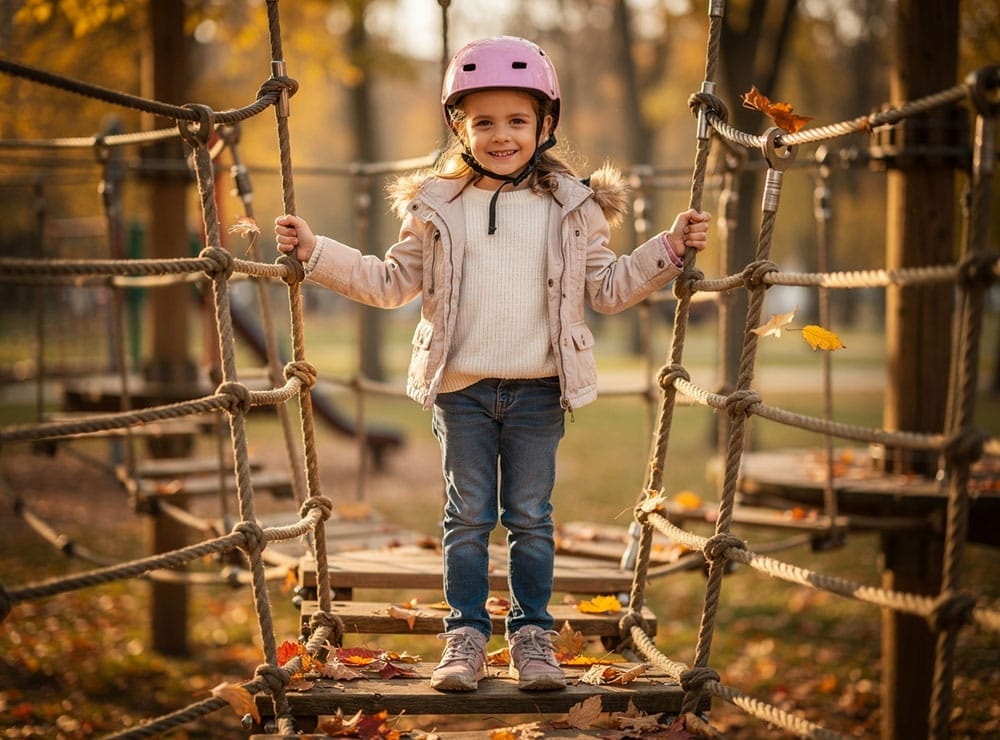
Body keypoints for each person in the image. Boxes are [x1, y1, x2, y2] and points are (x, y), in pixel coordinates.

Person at [275, 35, 709, 693]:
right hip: (463, 392)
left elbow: (608, 287)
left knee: (530, 517)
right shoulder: (437, 206)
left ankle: (532, 636)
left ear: (545, 124)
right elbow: (389, 282)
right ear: (460, 126)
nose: (501, 135)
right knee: (468, 517)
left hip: (538, 391)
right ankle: (466, 637)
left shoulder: (573, 207)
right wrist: (316, 252)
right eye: (483, 122)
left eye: (516, 120)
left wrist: (668, 249)